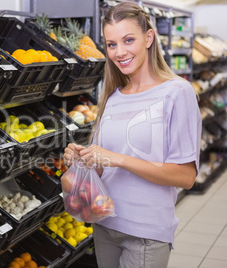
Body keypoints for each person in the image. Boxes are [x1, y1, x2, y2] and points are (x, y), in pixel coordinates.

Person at [63, 2, 201, 268]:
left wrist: (117, 158)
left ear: (148, 38)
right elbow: (104, 168)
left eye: (128, 40)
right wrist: (83, 159)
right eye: (111, 44)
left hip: (146, 233)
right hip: (105, 225)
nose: (120, 52)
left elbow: (185, 177)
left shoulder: (177, 92)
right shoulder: (113, 97)